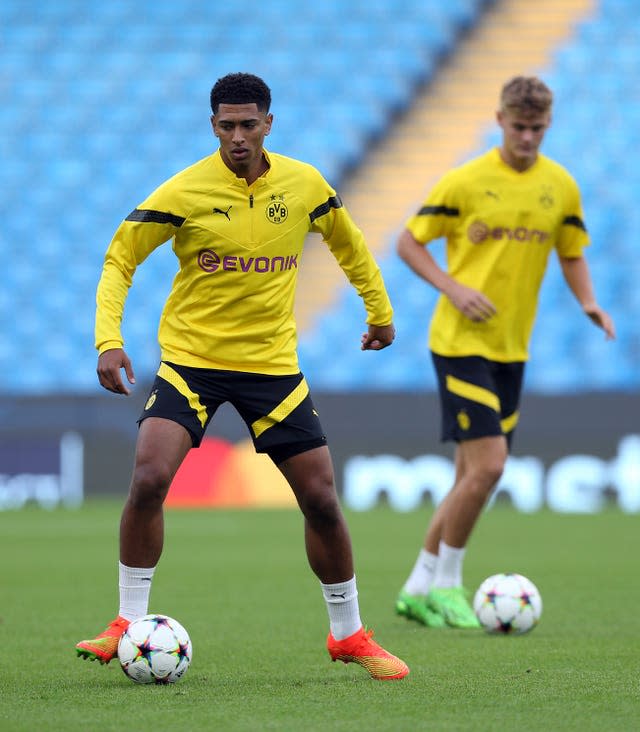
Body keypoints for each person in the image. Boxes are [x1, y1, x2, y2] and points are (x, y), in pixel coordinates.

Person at [76, 72, 409, 681]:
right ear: (213, 126)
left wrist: (380, 314)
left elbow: (352, 245)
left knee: (321, 500)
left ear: (268, 125)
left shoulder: (305, 185)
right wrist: (109, 340)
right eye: (226, 126)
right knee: (149, 478)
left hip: (271, 368)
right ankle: (127, 622)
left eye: (248, 125)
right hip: (191, 364)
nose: (237, 137)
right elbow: (120, 255)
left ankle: (349, 635)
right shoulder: (186, 190)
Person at [394, 76, 615, 629]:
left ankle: (417, 586)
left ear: (548, 126)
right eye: (518, 126)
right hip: (459, 343)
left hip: (511, 348)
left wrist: (588, 301)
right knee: (491, 467)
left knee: (469, 475)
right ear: (500, 120)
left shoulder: (559, 186)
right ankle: (448, 585)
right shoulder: (467, 181)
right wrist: (453, 287)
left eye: (536, 128)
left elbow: (571, 251)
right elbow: (408, 241)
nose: (527, 137)